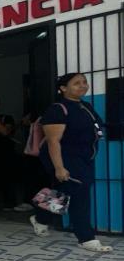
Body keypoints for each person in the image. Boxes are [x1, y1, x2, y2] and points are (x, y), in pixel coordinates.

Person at [29, 73, 113, 252]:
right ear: (63, 88)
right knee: (80, 194)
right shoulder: (57, 109)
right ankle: (86, 238)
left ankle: (40, 218)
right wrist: (59, 168)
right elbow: (53, 141)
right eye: (76, 83)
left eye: (84, 82)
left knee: (65, 191)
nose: (83, 85)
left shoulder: (85, 106)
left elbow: (97, 128)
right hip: (64, 157)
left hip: (84, 158)